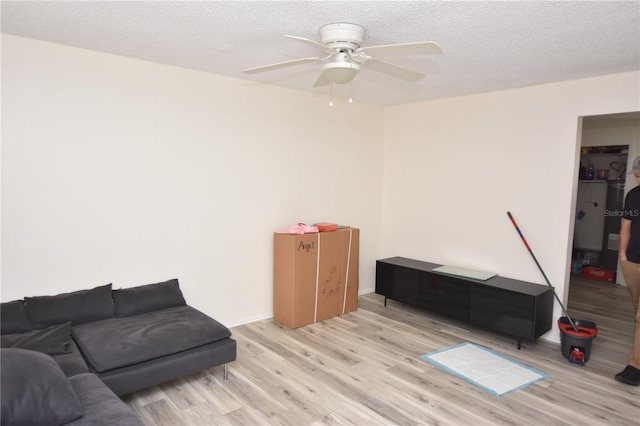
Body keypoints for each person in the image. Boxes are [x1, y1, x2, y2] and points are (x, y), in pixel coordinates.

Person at [616, 155, 640, 386]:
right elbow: (626, 226)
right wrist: (622, 256)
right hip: (632, 262)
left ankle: (635, 367)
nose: (638, 177)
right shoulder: (633, 196)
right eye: (637, 174)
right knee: (637, 310)